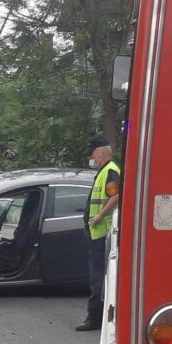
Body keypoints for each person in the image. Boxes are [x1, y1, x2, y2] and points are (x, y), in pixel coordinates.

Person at [76, 135, 121, 332]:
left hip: (103, 234)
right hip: (98, 233)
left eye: (92, 152)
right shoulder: (105, 171)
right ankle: (97, 316)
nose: (91, 156)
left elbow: (116, 195)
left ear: (101, 151)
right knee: (97, 277)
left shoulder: (111, 171)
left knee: (98, 278)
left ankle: (94, 318)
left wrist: (100, 216)